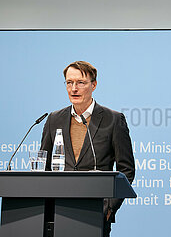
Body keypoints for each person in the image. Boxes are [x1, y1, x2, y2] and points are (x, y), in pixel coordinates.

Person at [41, 61, 135, 236]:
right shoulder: (54, 119)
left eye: (80, 83)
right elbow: (45, 164)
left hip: (96, 213)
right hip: (58, 210)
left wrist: (109, 207)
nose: (74, 88)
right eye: (69, 83)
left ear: (94, 85)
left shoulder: (113, 119)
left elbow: (126, 170)